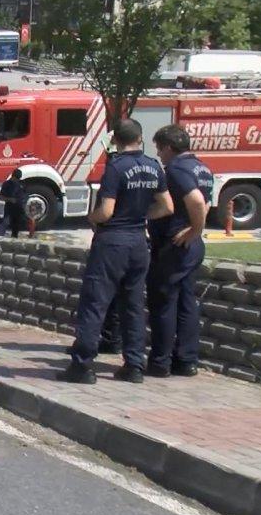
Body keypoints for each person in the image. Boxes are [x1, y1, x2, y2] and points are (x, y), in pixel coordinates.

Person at [58, 118, 172, 385]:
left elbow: (106, 210)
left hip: (112, 242)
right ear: (141, 139)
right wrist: (142, 216)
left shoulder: (116, 167)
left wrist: (93, 218)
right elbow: (167, 207)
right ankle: (134, 365)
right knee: (132, 305)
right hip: (138, 242)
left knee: (95, 303)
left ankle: (82, 365)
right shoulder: (154, 167)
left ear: (115, 141)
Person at [146, 124, 213, 378]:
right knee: (186, 303)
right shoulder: (202, 167)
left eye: (160, 149)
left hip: (176, 244)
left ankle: (160, 363)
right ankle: (186, 361)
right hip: (191, 246)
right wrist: (196, 230)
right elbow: (205, 202)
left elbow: (195, 200)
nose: (159, 155)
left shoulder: (176, 170)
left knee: (163, 302)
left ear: (169, 148)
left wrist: (192, 230)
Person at [0, 169, 26, 238]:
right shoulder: (6, 184)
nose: (17, 180)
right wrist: (10, 199)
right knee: (5, 223)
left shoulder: (21, 184)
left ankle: (14, 239)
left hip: (19, 208)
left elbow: (25, 195)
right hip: (9, 208)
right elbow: (1, 197)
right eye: (16, 179)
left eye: (18, 179)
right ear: (12, 177)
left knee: (16, 226)